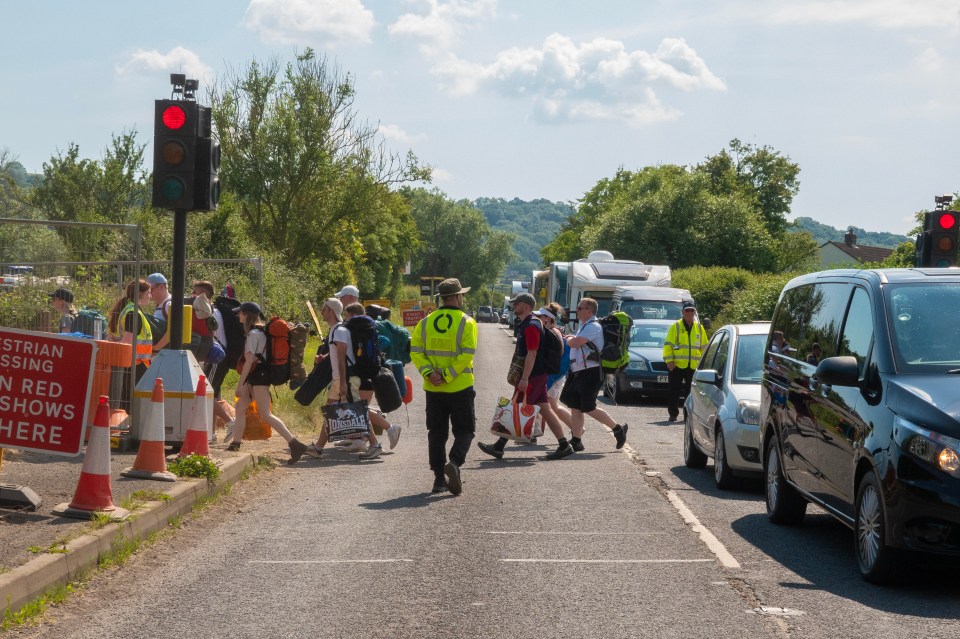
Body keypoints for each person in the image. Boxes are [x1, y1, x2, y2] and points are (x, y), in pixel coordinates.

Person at [477, 293, 573, 460]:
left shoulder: (531, 326)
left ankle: (499, 446)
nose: (514, 306)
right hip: (538, 374)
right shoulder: (530, 323)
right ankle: (564, 445)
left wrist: (524, 379)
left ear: (527, 306)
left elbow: (532, 353)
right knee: (545, 409)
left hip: (533, 376)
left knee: (515, 407)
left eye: (517, 303)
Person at [302, 299, 400, 460]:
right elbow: (339, 354)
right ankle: (318, 448)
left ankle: (375, 445)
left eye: (324, 309)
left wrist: (342, 383)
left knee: (357, 412)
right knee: (331, 412)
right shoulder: (338, 330)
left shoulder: (339, 331)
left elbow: (342, 358)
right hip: (341, 377)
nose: (322, 312)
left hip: (345, 377)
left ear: (332, 311)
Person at [410, 278, 477, 495]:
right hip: (460, 387)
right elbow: (467, 353)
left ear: (441, 298)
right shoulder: (467, 322)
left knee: (436, 433)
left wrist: (430, 373)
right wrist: (448, 375)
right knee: (465, 430)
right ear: (458, 297)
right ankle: (455, 462)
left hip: (434, 389)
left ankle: (439, 480)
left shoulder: (425, 322)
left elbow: (416, 352)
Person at [225, 301, 308, 464]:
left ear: (247, 315)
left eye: (240, 313)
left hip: (258, 376)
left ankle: (295, 444)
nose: (238, 315)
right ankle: (235, 443)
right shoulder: (261, 332)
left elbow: (249, 361)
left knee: (265, 414)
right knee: (240, 407)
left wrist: (240, 385)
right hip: (258, 374)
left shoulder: (252, 335)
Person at [559, 297, 628, 449]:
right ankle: (576, 441)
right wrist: (572, 338)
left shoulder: (593, 326)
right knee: (575, 405)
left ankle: (617, 429)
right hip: (579, 371)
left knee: (588, 406)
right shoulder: (585, 325)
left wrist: (569, 339)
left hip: (591, 372)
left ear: (589, 311)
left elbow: (575, 343)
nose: (577, 310)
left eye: (580, 308)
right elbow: (577, 342)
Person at [107, 279, 153, 411]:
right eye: (148, 293)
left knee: (126, 402)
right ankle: (128, 429)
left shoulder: (129, 309)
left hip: (133, 364)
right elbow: (128, 342)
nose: (150, 296)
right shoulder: (133, 313)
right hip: (135, 365)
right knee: (130, 404)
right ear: (140, 294)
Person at [663, 300, 708, 422]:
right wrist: (669, 361)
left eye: (691, 310)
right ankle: (673, 414)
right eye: (687, 310)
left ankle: (687, 415)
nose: (689, 312)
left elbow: (704, 347)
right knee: (674, 391)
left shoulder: (699, 328)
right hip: (677, 365)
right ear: (682, 312)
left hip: (693, 366)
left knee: (691, 393)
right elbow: (668, 345)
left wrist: (705, 364)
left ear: (694, 312)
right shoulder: (676, 326)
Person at [541, 302, 574, 436]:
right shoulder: (553, 331)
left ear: (547, 318)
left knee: (546, 405)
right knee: (550, 405)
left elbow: (556, 356)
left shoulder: (553, 332)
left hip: (555, 375)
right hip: (556, 374)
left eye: (540, 316)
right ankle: (576, 428)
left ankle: (575, 428)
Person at [147, 273, 172, 351]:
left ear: (161, 287)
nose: (148, 292)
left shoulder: (169, 304)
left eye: (150, 289)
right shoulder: (160, 305)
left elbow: (174, 329)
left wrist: (156, 348)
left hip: (168, 353)